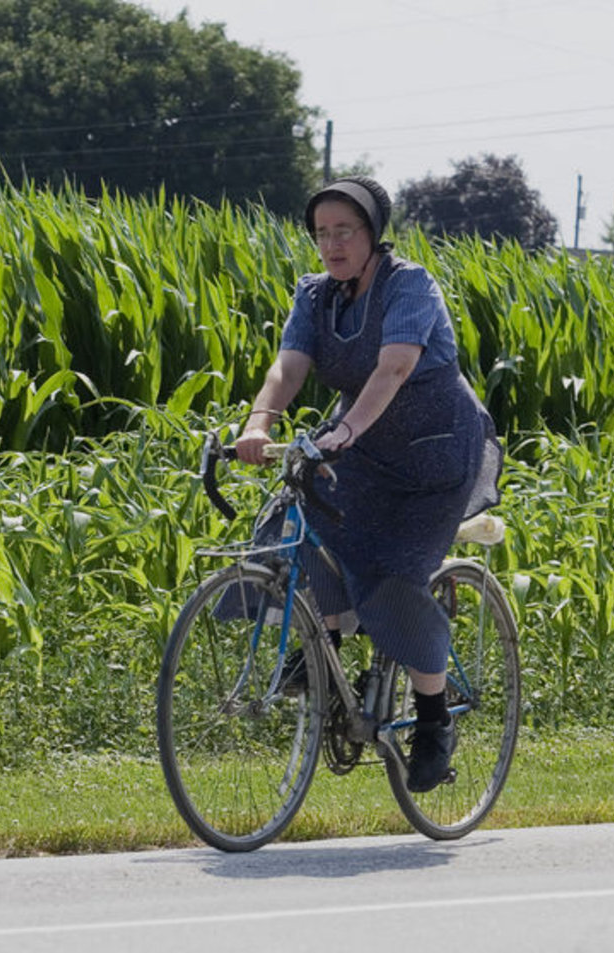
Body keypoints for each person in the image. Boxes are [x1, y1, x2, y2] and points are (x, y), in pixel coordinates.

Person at [235, 176, 502, 791]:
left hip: (433, 455)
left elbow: (395, 367)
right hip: (360, 444)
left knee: (394, 577)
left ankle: (432, 721)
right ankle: (322, 650)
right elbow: (288, 367)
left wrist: (347, 430)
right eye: (321, 233)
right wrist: (257, 423)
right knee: (299, 514)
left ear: (373, 233)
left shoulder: (409, 285)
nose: (332, 245)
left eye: (344, 231)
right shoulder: (315, 295)